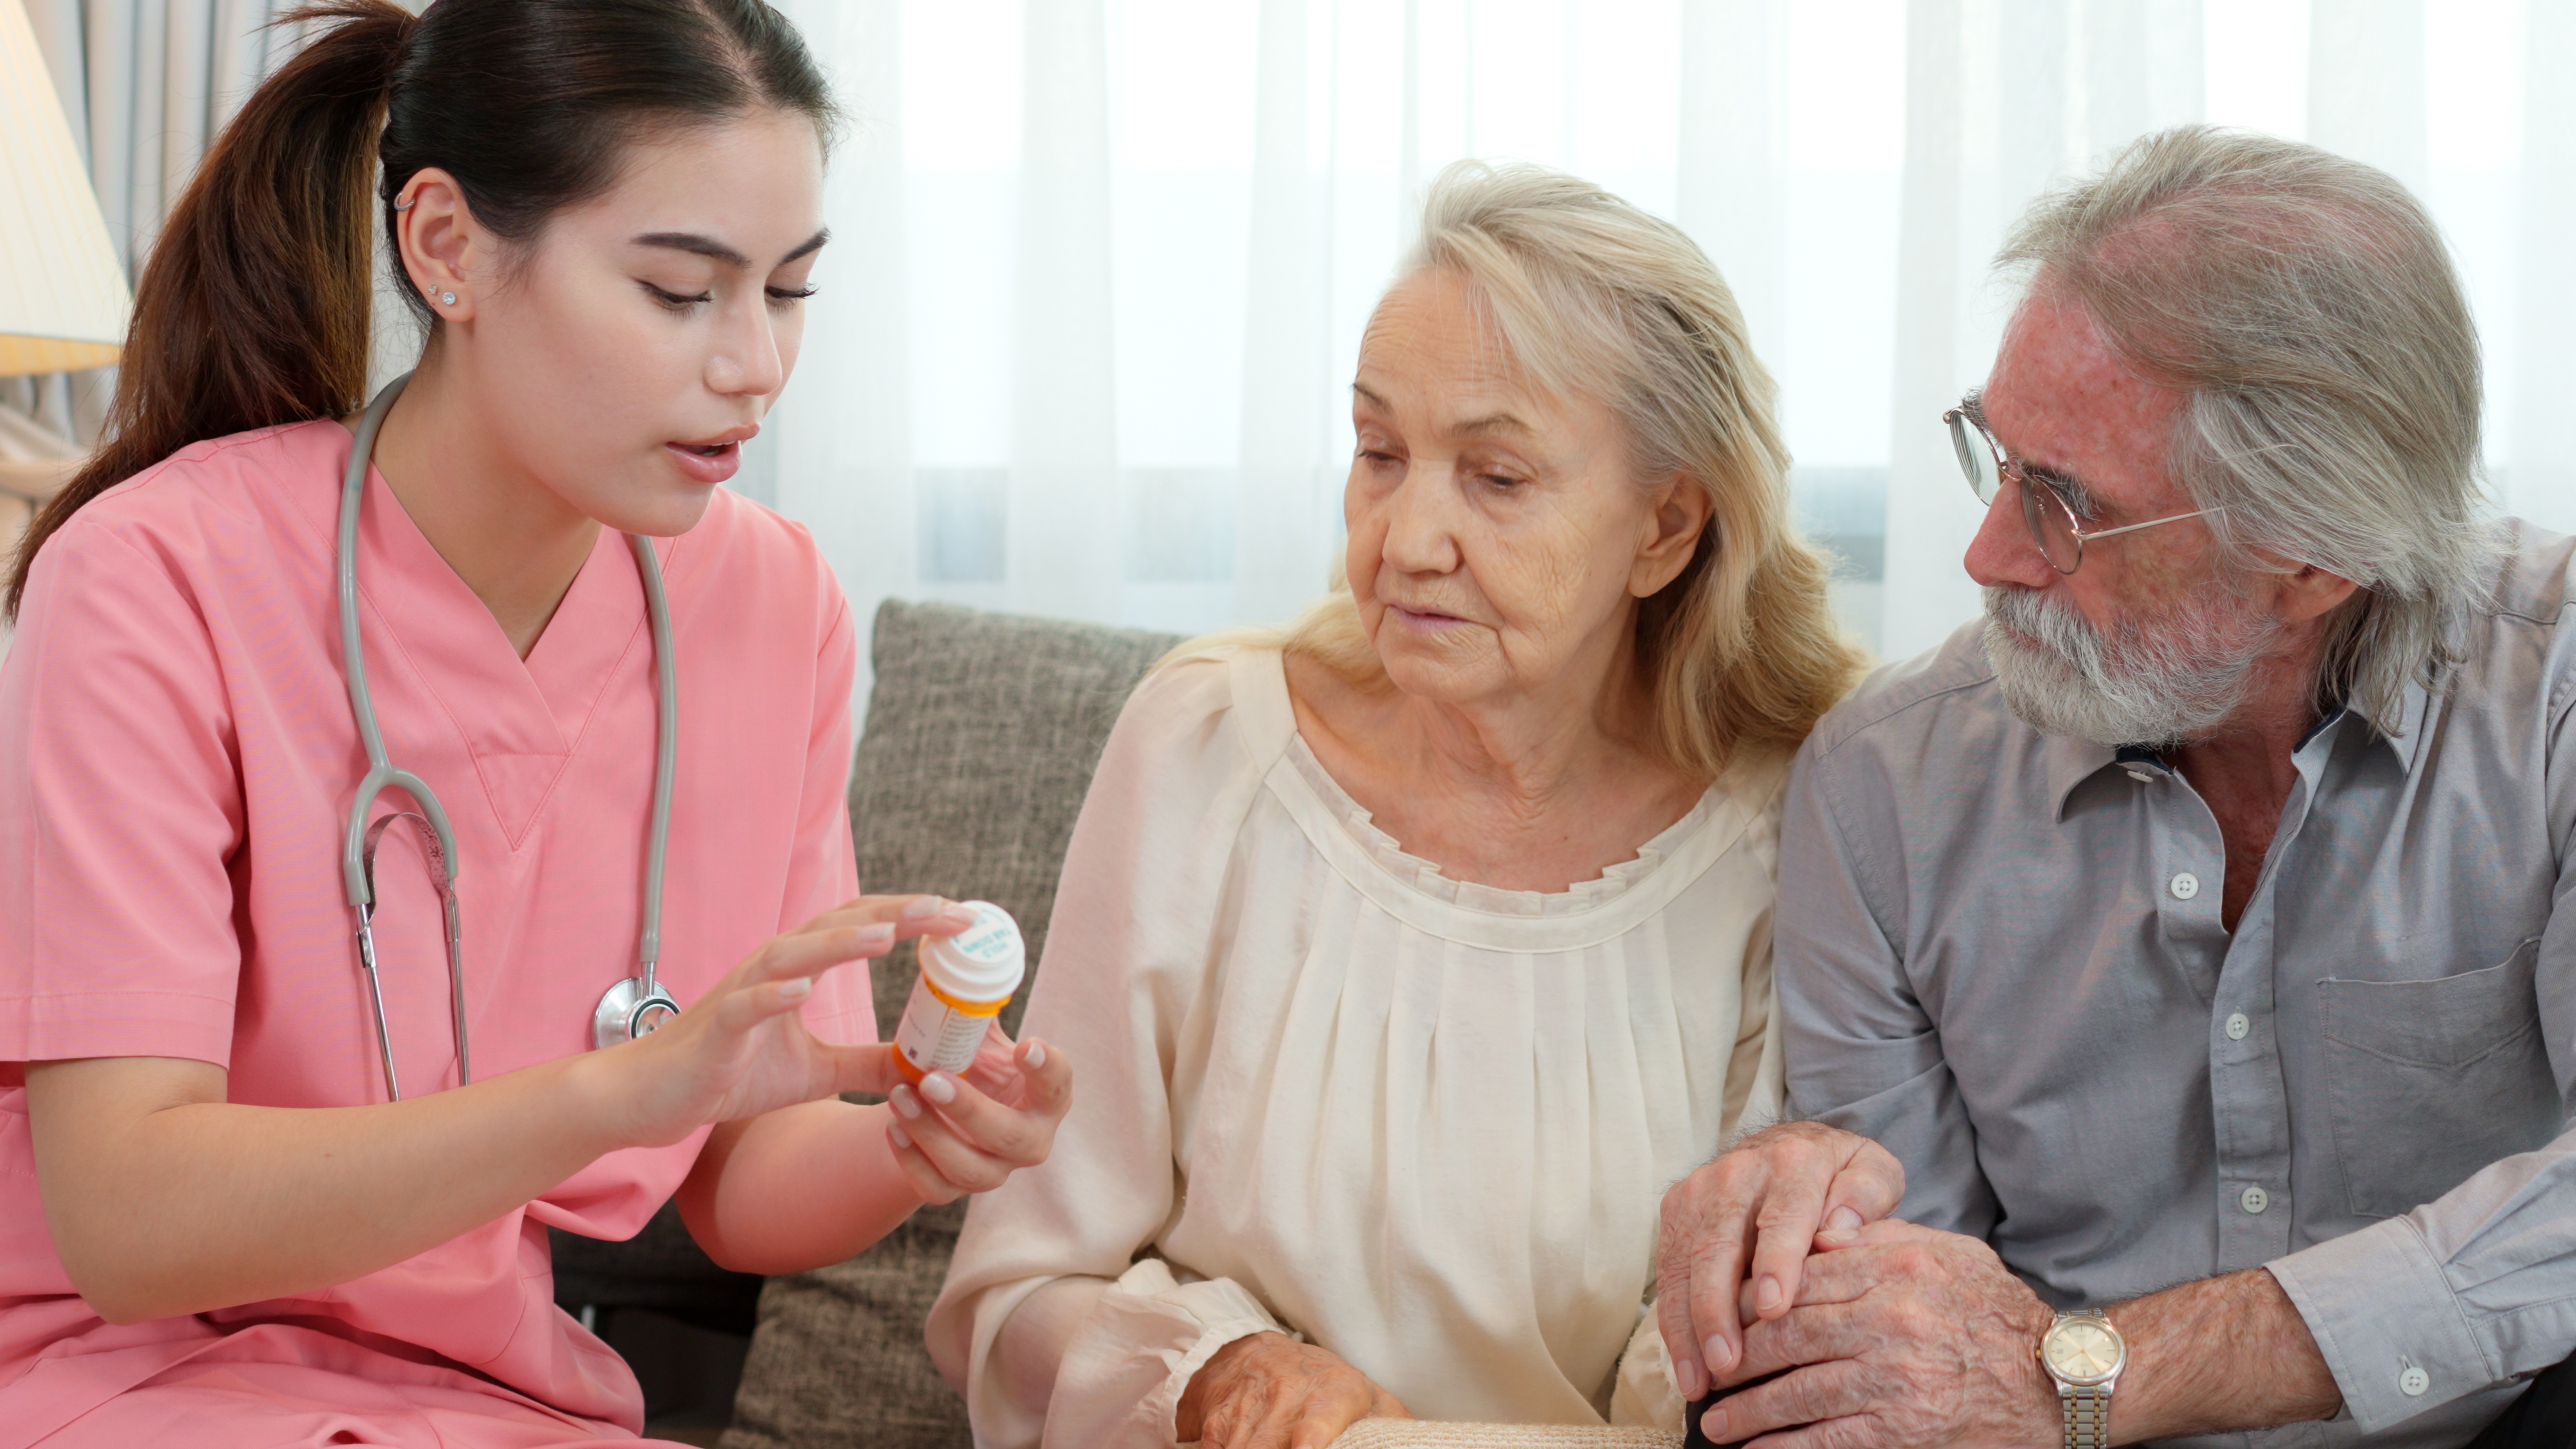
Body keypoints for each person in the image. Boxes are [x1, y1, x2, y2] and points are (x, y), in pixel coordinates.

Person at [0, 2, 1071, 1443]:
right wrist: (610, 1093)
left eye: (790, 292)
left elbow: (745, 1179)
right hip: (109, 1371)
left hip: (484, 1396)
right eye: (682, 291)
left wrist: (909, 1137)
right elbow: (130, 1222)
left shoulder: (769, 605)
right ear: (446, 247)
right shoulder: (152, 575)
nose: (755, 364)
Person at [926, 160, 1877, 1449]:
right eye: (1380, 452)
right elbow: (1015, 1291)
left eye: (1496, 477)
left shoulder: (1793, 838)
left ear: (1666, 526)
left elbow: (1739, 1387)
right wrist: (1210, 1377)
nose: (1405, 537)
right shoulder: (1208, 743)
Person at [1653, 125, 2576, 1449]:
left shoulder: (2554, 696)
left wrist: (2106, 1370)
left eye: (2062, 502)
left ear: (2312, 560)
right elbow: (1912, 1316)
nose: (1986, 552)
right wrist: (1802, 1232)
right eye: (1995, 456)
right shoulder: (1885, 779)